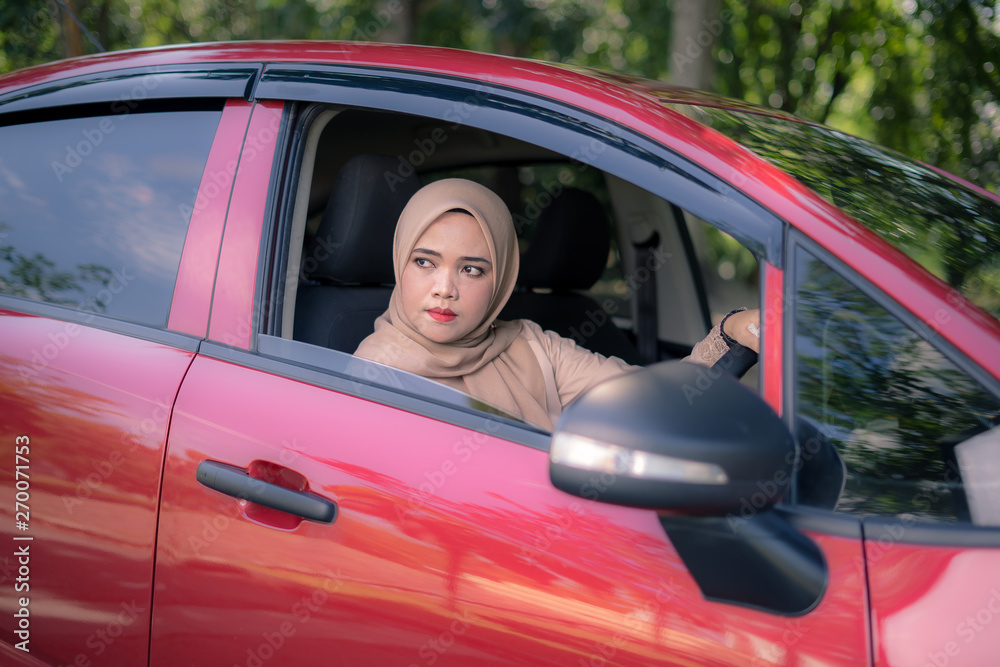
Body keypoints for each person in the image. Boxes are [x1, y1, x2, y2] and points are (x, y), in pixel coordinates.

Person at [354, 178, 760, 430]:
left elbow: (651, 403)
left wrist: (733, 332)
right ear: (399, 260)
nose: (445, 288)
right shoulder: (368, 377)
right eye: (424, 262)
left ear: (501, 281)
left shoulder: (530, 346)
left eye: (472, 270)